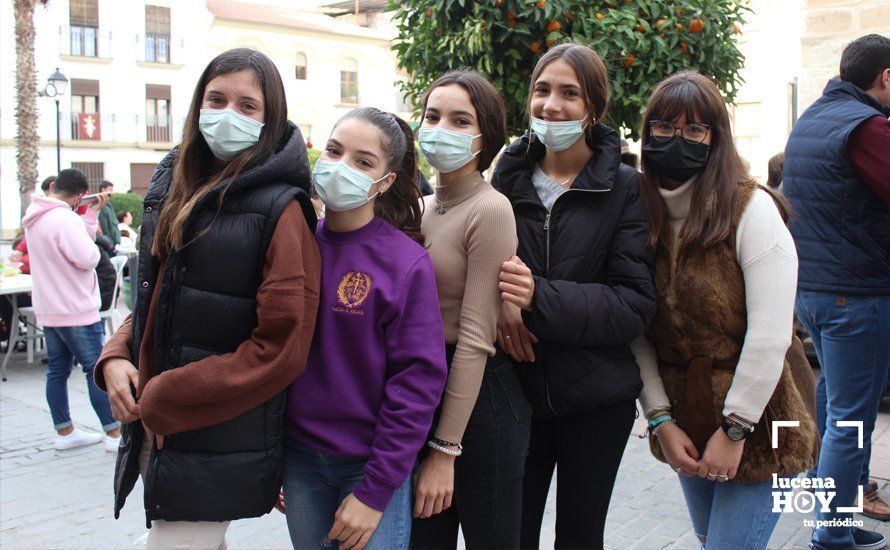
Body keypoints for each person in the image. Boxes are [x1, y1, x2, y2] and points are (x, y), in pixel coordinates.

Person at [94, 48, 320, 549]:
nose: (228, 115)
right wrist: (114, 355)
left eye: (247, 106)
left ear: (270, 118)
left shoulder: (281, 209)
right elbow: (158, 298)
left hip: (217, 431)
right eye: (216, 99)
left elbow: (283, 346)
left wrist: (165, 396)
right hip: (164, 428)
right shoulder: (176, 185)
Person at [632, 70, 819, 550]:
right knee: (708, 538)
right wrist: (659, 419)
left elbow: (772, 334)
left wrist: (735, 430)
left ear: (715, 138)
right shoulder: (640, 214)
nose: (678, 139)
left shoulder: (750, 208)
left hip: (766, 412)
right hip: (684, 413)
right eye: (665, 127)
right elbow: (636, 328)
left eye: (695, 129)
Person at [490, 43, 655, 549]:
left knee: (580, 537)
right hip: (515, 391)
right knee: (512, 533)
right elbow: (482, 267)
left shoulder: (626, 187)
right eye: (542, 90)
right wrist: (502, 305)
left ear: (593, 108)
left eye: (569, 93)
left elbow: (632, 305)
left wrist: (538, 296)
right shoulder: (505, 177)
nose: (551, 105)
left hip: (595, 398)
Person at [282, 107, 447, 550]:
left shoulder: (405, 263)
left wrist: (375, 492)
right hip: (299, 461)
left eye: (363, 161)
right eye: (334, 151)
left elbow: (417, 384)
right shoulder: (292, 245)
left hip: (371, 467)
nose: (341, 167)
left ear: (386, 180)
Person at [407, 68, 525, 550]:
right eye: (432, 117)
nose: (440, 130)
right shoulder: (421, 205)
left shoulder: (490, 208)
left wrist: (444, 449)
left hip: (480, 409)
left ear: (485, 137)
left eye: (460, 121)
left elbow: (477, 338)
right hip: (425, 392)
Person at [784, 34, 890, 549]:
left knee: (833, 399)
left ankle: (835, 513)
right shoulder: (868, 126)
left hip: (817, 290)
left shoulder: (811, 120)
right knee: (852, 419)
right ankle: (830, 533)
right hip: (857, 293)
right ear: (886, 77)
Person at [21, 168, 121, 451]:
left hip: (50, 307)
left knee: (57, 371)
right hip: (75, 308)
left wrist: (89, 217)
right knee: (95, 370)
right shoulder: (65, 219)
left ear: (53, 186)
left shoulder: (35, 216)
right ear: (79, 196)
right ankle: (113, 433)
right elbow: (88, 257)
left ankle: (64, 431)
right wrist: (86, 220)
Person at [97, 180, 121, 248]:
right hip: (109, 243)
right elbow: (104, 227)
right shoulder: (101, 205)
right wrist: (109, 242)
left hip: (113, 242)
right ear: (103, 189)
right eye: (110, 189)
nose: (112, 192)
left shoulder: (108, 205)